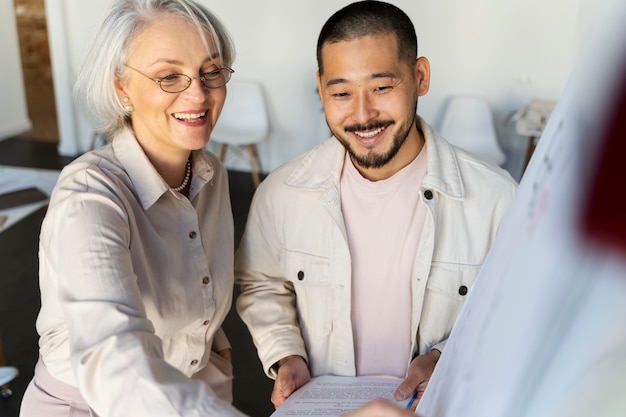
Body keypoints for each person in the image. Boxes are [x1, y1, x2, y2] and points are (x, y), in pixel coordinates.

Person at [235, 0, 518, 410]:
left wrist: (446, 356)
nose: (363, 114)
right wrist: (286, 353)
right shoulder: (282, 193)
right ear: (321, 87)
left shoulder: (495, 199)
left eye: (382, 88)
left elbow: (514, 311)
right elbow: (261, 281)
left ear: (420, 77)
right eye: (342, 92)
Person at [18, 0, 246, 416]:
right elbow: (114, 357)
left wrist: (215, 348)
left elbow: (203, 282)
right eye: (169, 76)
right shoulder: (89, 194)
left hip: (197, 390)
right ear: (122, 88)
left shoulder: (212, 173)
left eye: (211, 71)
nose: (198, 93)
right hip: (93, 404)